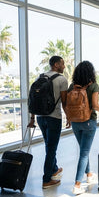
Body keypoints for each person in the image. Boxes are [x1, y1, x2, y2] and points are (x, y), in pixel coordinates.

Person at [67, 60, 99, 195]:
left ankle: (89, 174)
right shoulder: (93, 86)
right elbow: (96, 105)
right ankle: (77, 184)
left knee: (83, 150)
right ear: (91, 72)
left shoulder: (72, 87)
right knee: (84, 153)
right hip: (88, 122)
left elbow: (67, 104)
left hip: (75, 122)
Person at [28, 56, 68, 189]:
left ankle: (54, 169)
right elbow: (64, 102)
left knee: (49, 145)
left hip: (40, 117)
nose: (64, 66)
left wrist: (32, 118)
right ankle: (46, 180)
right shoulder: (62, 80)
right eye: (62, 64)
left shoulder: (39, 78)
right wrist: (68, 117)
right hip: (54, 118)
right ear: (56, 65)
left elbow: (33, 100)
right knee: (51, 148)